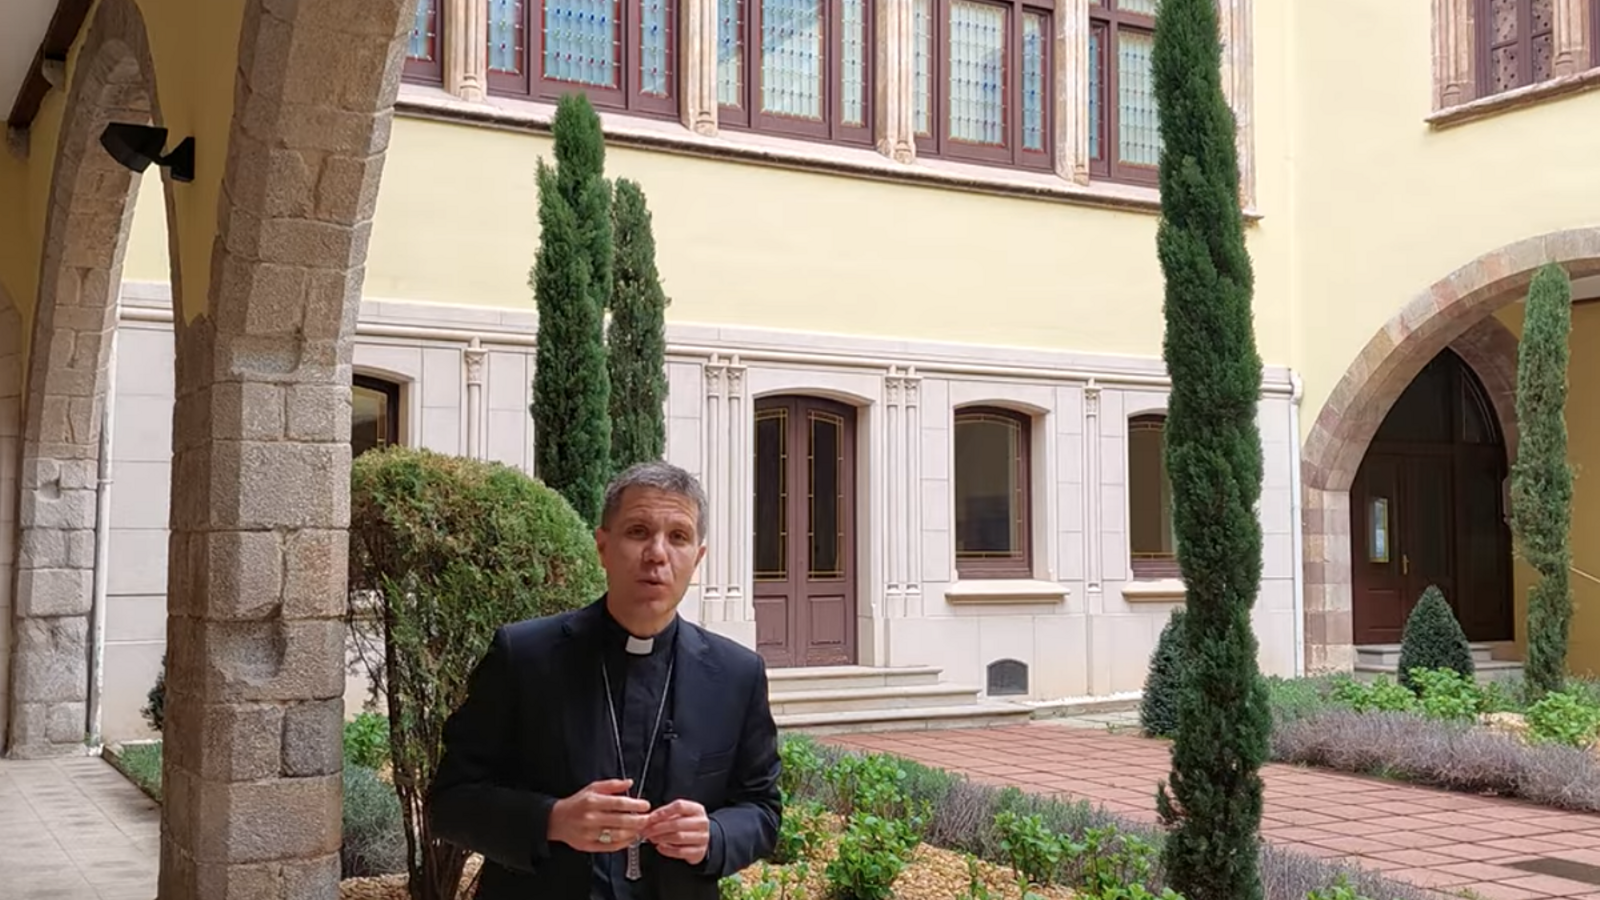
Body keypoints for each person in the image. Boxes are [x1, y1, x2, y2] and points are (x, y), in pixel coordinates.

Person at [427, 461, 782, 899]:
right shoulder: (523, 657)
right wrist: (552, 819)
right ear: (602, 546)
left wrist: (715, 834)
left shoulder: (736, 674)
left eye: (678, 537)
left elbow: (763, 810)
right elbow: (449, 802)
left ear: (698, 558)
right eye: (637, 531)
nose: (657, 553)